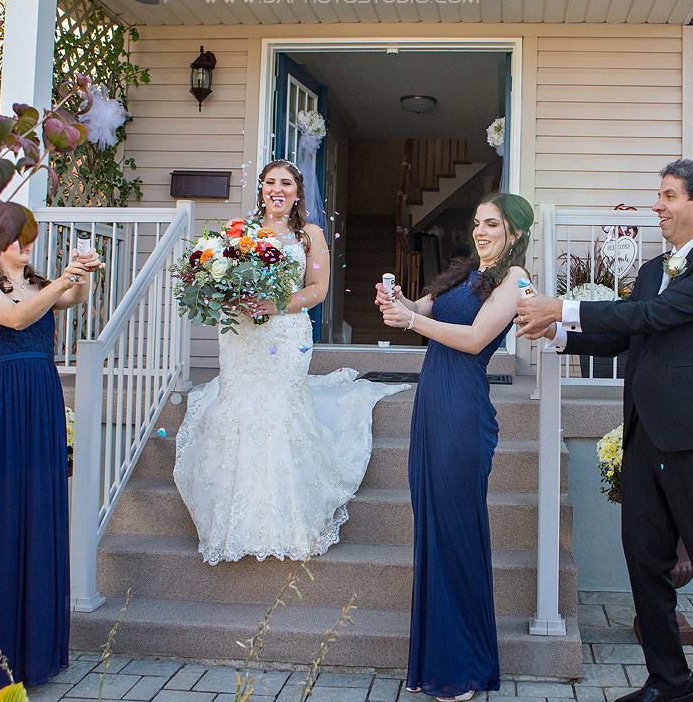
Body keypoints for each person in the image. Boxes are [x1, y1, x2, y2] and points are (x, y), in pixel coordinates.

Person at [516, 159, 693, 702]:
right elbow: (626, 336)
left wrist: (563, 304)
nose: (658, 204)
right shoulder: (653, 270)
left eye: (669, 195)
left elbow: (655, 317)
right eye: (659, 195)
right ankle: (669, 683)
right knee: (644, 561)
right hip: (644, 436)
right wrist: (558, 334)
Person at [173, 160, 407, 564]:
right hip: (242, 336)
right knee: (240, 410)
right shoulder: (239, 233)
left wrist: (274, 303)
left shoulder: (310, 235)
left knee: (281, 411)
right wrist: (232, 298)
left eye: (286, 183)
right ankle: (234, 518)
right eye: (269, 183)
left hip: (286, 335)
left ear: (298, 192)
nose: (276, 189)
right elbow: (219, 277)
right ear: (261, 190)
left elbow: (317, 290)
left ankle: (290, 521)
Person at [375, 192, 534, 702]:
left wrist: (413, 323)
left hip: (464, 408)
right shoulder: (461, 273)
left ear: (515, 232)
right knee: (433, 528)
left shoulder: (516, 280)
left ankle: (463, 669)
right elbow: (416, 309)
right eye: (478, 222)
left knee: (457, 532)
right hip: (431, 406)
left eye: (493, 223)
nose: (482, 231)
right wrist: (394, 301)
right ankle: (438, 662)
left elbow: (473, 338)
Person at [0, 239, 102, 695]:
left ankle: (39, 654)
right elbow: (18, 317)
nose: (27, 244)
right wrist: (65, 277)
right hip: (0, 404)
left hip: (41, 400)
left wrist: (84, 271)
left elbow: (74, 298)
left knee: (40, 515)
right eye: (18, 235)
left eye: (30, 235)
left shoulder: (37, 283)